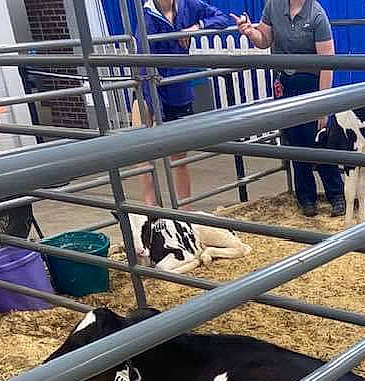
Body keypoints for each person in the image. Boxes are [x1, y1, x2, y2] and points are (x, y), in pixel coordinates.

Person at [235, 2, 345, 218]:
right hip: (285, 82)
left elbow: (327, 63)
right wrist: (250, 31)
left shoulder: (317, 15)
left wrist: (323, 106)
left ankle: (336, 195)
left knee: (319, 140)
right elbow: (264, 40)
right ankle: (306, 198)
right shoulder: (273, 6)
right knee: (294, 141)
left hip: (311, 84)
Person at [133, 0, 235, 207]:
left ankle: (184, 211)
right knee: (141, 151)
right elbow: (142, 52)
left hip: (177, 87)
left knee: (179, 157)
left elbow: (222, 18)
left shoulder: (188, 5)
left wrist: (195, 28)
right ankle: (151, 210)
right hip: (149, 85)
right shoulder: (147, 14)